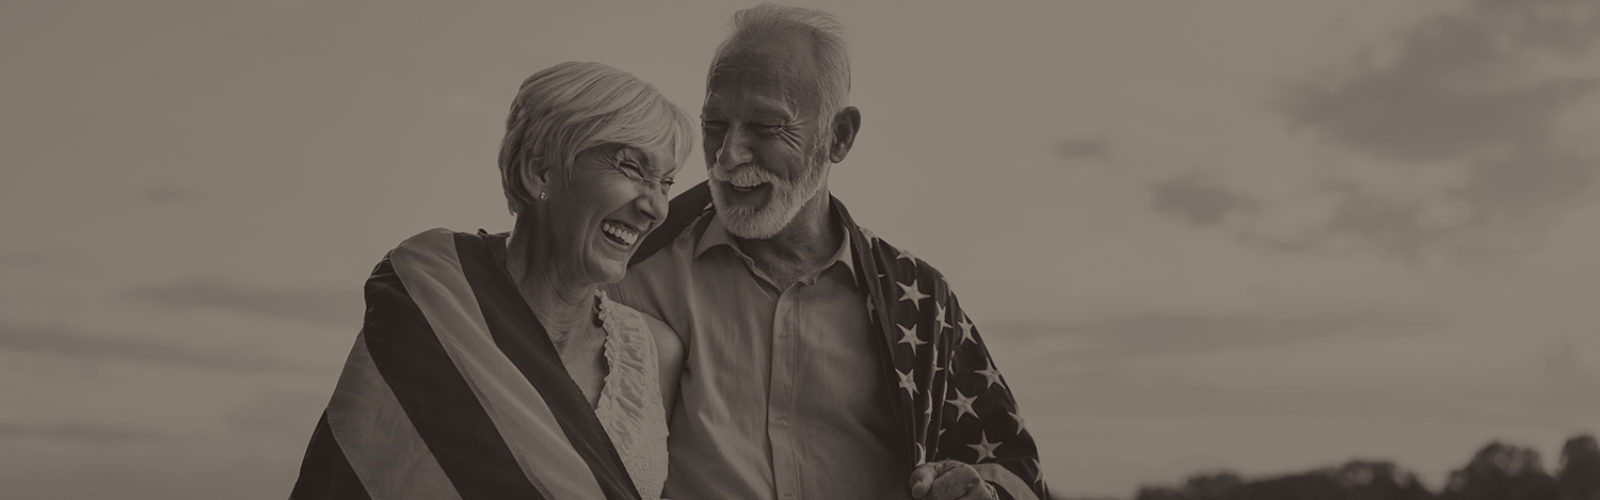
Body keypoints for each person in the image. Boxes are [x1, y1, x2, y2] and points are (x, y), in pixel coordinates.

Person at [610, 4, 1049, 500]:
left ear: (839, 136)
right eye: (715, 124)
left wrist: (981, 493)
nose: (728, 155)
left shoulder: (920, 302)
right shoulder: (629, 265)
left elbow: (1013, 469)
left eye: (765, 127)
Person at [289, 61, 695, 500]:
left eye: (666, 182)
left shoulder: (656, 355)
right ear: (539, 171)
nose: (654, 207)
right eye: (631, 169)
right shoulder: (434, 288)